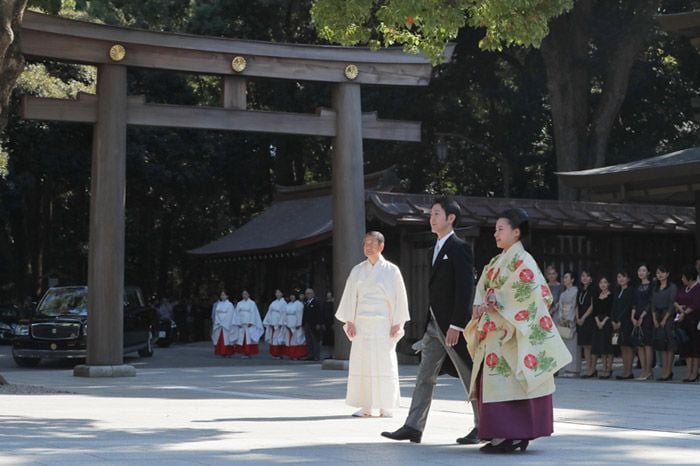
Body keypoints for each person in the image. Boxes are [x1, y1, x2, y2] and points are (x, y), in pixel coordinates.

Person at [464, 208, 571, 453]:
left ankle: (514, 434)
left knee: (516, 378)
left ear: (516, 232)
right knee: (497, 381)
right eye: (495, 230)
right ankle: (501, 433)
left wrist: (497, 300)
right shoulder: (495, 261)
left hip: (514, 331)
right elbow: (482, 288)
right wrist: (482, 304)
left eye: (500, 229)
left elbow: (534, 294)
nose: (495, 234)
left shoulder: (525, 261)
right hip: (495, 330)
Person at [382, 196, 478, 445]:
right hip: (434, 325)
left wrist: (457, 324)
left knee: (469, 374)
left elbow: (466, 289)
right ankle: (413, 426)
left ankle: (484, 424)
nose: (431, 218)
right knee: (425, 375)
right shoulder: (433, 248)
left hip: (453, 327)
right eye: (431, 214)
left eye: (436, 213)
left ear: (451, 218)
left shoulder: (459, 247)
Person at [335, 231, 410, 418]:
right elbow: (351, 296)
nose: (367, 247)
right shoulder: (357, 270)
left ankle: (386, 405)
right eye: (365, 243)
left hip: (383, 324)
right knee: (363, 363)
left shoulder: (392, 270)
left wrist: (397, 322)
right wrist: (350, 321)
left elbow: (400, 298)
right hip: (362, 324)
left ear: (381, 246)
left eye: (371, 243)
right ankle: (366, 405)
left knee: (385, 363)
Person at [674, 265, 700, 382]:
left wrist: (684, 312)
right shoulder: (683, 288)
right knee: (686, 347)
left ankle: (695, 372)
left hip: (694, 321)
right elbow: (676, 300)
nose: (682, 279)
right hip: (683, 321)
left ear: (689, 277)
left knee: (695, 347)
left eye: (684, 277)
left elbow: (696, 304)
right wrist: (679, 308)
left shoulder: (698, 288)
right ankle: (688, 372)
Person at [651, 266, 678, 381]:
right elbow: (652, 303)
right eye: (658, 273)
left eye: (662, 272)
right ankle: (663, 370)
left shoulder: (672, 287)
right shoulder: (655, 288)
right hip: (657, 316)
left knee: (669, 344)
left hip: (668, 317)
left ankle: (668, 370)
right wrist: (654, 318)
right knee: (661, 344)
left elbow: (672, 304)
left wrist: (665, 318)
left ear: (667, 274)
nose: (660, 275)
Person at [553, 271, 579, 377]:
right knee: (564, 345)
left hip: (571, 320)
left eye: (567, 277)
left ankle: (573, 369)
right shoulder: (563, 293)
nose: (565, 279)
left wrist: (569, 319)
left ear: (572, 279)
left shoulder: (575, 291)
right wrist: (561, 318)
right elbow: (560, 306)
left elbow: (574, 305)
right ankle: (565, 369)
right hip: (563, 319)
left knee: (572, 345)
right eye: (564, 277)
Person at [631, 264, 654, 380]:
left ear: (648, 273)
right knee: (640, 344)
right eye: (639, 270)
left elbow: (651, 302)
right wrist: (633, 316)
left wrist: (643, 315)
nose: (641, 272)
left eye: (644, 270)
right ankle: (643, 370)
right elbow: (634, 302)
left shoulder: (652, 286)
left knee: (647, 344)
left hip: (647, 316)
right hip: (637, 316)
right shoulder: (636, 287)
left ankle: (649, 370)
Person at [612, 271, 635, 379]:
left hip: (626, 321)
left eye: (623, 277)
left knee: (628, 346)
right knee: (622, 346)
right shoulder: (617, 291)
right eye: (619, 277)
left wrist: (621, 320)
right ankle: (624, 370)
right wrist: (613, 320)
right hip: (617, 322)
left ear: (628, 279)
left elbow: (628, 306)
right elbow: (614, 307)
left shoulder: (630, 291)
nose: (621, 279)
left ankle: (629, 371)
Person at [591, 277, 613, 378]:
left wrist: (603, 321)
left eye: (605, 282)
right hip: (597, 322)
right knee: (601, 346)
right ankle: (603, 368)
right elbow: (594, 311)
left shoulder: (611, 296)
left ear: (608, 284)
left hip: (607, 321)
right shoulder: (596, 296)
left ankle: (609, 368)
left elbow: (611, 310)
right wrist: (597, 321)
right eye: (601, 282)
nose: (603, 284)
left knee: (608, 346)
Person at [231, 290, 264, 358]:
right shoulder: (239, 303)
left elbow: (254, 314)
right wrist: (238, 322)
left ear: (248, 295)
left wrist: (251, 322)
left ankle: (249, 353)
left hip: (249, 324)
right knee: (242, 339)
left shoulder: (252, 303)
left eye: (246, 294)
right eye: (243, 294)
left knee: (249, 339)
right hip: (242, 324)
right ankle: (244, 353)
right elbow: (236, 314)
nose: (244, 295)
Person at [576, 270, 596, 378]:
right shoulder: (580, 290)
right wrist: (577, 317)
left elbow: (592, 306)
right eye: (583, 276)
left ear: (591, 279)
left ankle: (592, 368)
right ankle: (588, 368)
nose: (584, 278)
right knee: (584, 345)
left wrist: (583, 317)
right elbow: (577, 305)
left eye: (587, 276)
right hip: (580, 319)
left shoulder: (592, 290)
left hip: (589, 319)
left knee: (590, 345)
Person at [282, 293, 307, 360]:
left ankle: (298, 355)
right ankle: (291, 354)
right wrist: (285, 323)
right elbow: (285, 315)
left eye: (293, 296)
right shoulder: (288, 304)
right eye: (291, 296)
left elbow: (300, 314)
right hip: (289, 324)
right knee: (290, 340)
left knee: (297, 340)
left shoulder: (299, 304)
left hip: (296, 324)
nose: (292, 297)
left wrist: (299, 324)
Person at [263, 289, 287, 358]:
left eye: (279, 292)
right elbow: (269, 312)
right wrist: (268, 321)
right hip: (272, 321)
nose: (277, 294)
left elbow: (283, 314)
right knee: (273, 338)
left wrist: (281, 323)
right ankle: (274, 353)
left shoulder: (284, 303)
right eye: (276, 293)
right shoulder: (273, 303)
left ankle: (280, 353)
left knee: (279, 338)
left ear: (282, 294)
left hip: (279, 322)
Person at [211, 291, 235, 357]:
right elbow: (216, 314)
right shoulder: (219, 304)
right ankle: (221, 352)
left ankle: (227, 352)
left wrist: (224, 322)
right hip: (219, 323)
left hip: (226, 324)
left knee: (226, 338)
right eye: (221, 295)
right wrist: (218, 321)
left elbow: (230, 315)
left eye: (224, 295)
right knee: (219, 337)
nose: (222, 296)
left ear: (227, 296)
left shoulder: (230, 305)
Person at [303, 288, 324, 361]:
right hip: (307, 324)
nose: (307, 295)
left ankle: (316, 356)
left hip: (314, 324)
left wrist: (319, 323)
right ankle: (310, 355)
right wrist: (303, 323)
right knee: (308, 340)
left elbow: (319, 314)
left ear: (313, 294)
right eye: (306, 294)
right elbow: (304, 314)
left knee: (315, 340)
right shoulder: (306, 303)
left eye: (309, 293)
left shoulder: (316, 303)